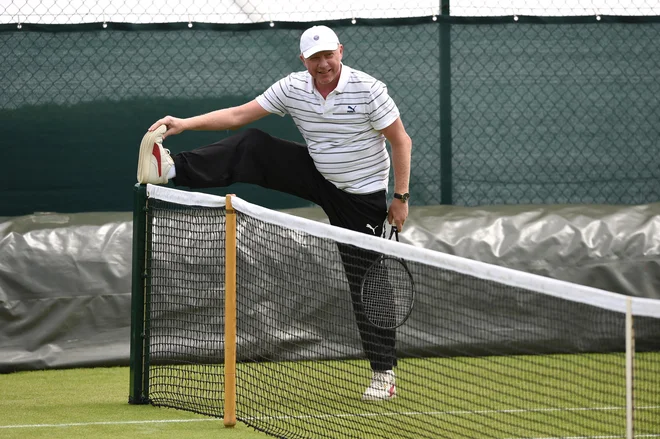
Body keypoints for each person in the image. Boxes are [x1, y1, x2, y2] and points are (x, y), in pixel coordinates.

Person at [137, 25, 412, 401]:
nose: (323, 63)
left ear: (341, 52)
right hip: (317, 174)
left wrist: (400, 196)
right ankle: (172, 169)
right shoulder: (293, 88)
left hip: (361, 196)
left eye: (328, 55)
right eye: (315, 57)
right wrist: (185, 124)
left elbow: (400, 140)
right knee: (254, 144)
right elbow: (237, 114)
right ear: (304, 60)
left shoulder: (368, 89)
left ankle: (384, 374)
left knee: (366, 281)